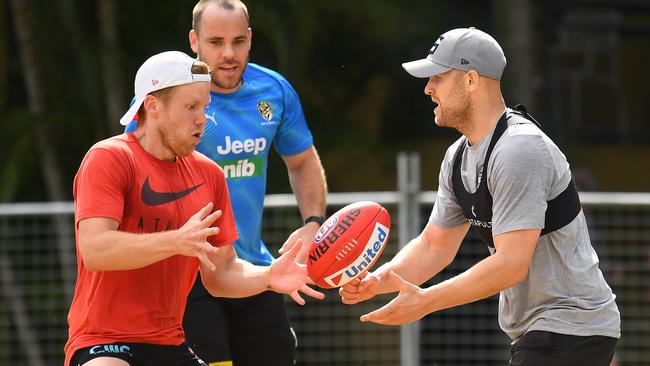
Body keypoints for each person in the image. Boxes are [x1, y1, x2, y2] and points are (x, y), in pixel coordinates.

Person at [339, 27, 621, 366]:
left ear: (471, 80)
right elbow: (433, 246)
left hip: (572, 326)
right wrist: (377, 281)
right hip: (540, 331)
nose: (428, 89)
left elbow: (511, 265)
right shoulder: (458, 157)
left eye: (437, 77)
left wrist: (425, 300)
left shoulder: (519, 149)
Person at [64, 50, 323, 366]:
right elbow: (94, 249)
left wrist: (269, 276)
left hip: (171, 344)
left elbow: (222, 272)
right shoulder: (110, 158)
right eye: (190, 107)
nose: (203, 118)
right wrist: (175, 240)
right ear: (152, 106)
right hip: (105, 342)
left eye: (205, 107)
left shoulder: (209, 173)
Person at [124, 1, 327, 364]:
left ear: (250, 39)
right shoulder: (165, 98)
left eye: (238, 41)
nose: (229, 53)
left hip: (250, 266)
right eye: (216, 41)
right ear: (194, 41)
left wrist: (313, 223)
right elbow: (133, 172)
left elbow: (302, 161)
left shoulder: (274, 91)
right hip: (185, 277)